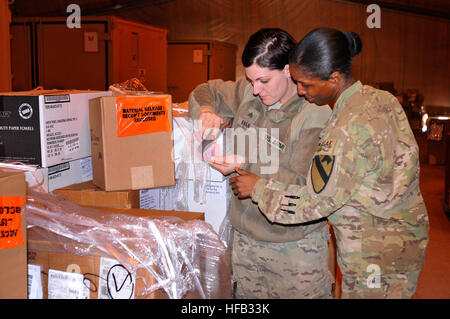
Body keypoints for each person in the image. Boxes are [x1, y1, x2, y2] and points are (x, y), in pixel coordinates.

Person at [233, 27, 430, 298]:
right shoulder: (379, 100)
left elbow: (315, 203)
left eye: (307, 84)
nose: (301, 91)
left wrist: (258, 188)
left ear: (334, 78)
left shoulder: (344, 131)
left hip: (373, 255)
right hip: (404, 240)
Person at [188, 28, 333, 298]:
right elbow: (203, 91)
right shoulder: (250, 93)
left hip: (293, 254)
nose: (256, 90)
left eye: (264, 81)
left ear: (290, 71)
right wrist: (206, 112)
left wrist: (244, 166)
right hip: (245, 246)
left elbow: (305, 185)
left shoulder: (314, 116)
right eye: (251, 80)